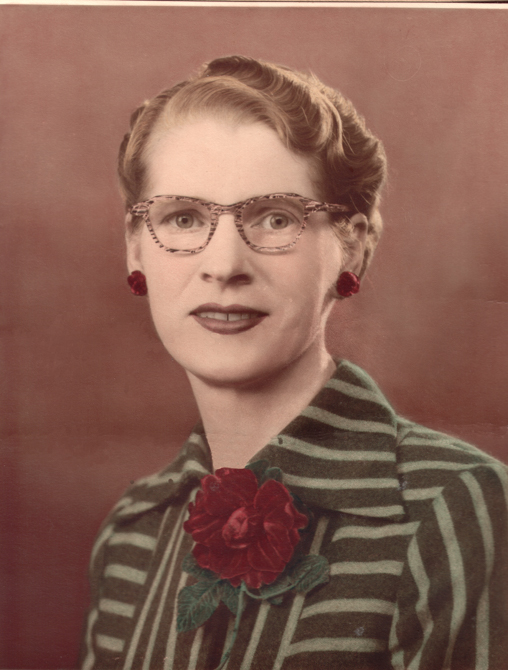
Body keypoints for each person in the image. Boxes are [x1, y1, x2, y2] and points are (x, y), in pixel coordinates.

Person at [80, 55, 508, 670]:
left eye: (275, 218)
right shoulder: (132, 532)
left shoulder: (456, 509)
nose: (224, 265)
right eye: (184, 218)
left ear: (351, 246)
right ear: (135, 246)